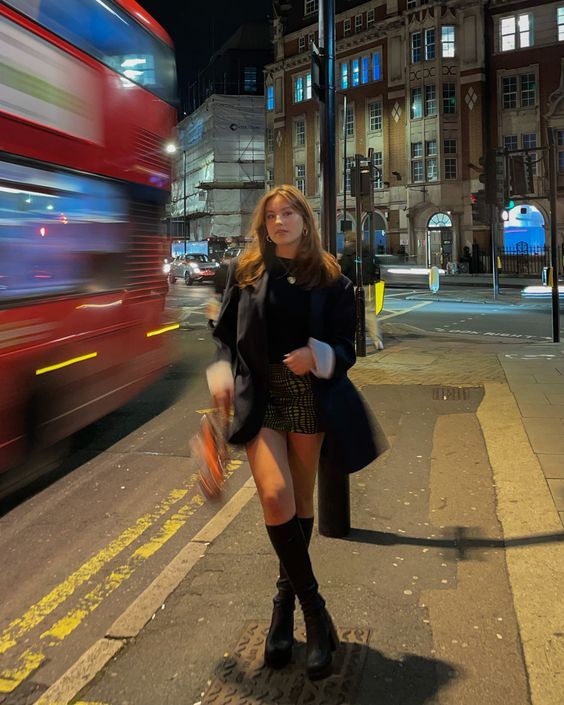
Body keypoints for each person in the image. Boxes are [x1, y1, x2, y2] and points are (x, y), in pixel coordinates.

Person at [206, 185, 382, 681]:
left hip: (308, 397)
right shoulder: (245, 275)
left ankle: (283, 608)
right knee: (277, 497)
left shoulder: (332, 280)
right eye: (271, 215)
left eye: (289, 213)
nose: (279, 221)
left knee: (302, 505)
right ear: (262, 225)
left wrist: (319, 357)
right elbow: (224, 339)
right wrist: (221, 375)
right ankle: (317, 614)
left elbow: (348, 348)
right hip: (261, 398)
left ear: (306, 220)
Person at [339, 233, 384, 351]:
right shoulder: (368, 251)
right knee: (370, 313)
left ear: (347, 241)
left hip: (352, 286)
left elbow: (343, 269)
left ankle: (353, 340)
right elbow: (376, 266)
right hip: (368, 285)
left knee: (351, 314)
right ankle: (377, 341)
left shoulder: (348, 252)